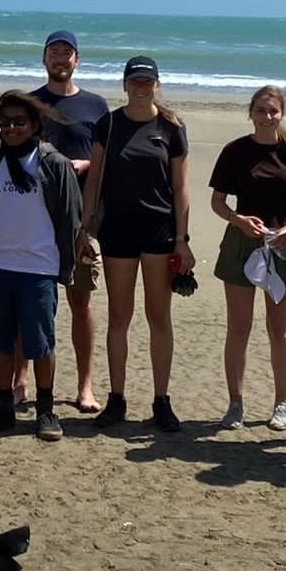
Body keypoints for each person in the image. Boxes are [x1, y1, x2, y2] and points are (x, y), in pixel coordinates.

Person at [85, 56, 191, 431]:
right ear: (125, 84)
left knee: (159, 318)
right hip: (117, 230)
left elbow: (180, 188)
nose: (141, 86)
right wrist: (85, 229)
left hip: (160, 231)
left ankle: (162, 401)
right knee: (119, 316)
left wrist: (182, 239)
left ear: (157, 85)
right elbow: (94, 180)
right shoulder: (109, 124)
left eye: (148, 81)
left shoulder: (172, 127)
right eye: (135, 81)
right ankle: (116, 399)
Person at [0, 91, 82, 441]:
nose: (12, 128)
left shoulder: (53, 163)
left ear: (34, 124)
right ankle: (4, 404)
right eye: (5, 122)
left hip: (39, 268)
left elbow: (70, 219)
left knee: (40, 343)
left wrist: (65, 268)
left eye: (19, 122)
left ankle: (46, 409)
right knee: (2, 339)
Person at [209, 85, 286, 432]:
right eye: (261, 110)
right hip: (242, 243)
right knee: (238, 327)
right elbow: (218, 202)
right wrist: (238, 220)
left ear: (281, 114)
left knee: (280, 330)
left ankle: (282, 404)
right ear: (251, 113)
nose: (267, 117)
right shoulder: (235, 151)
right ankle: (235, 403)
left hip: (282, 245)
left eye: (273, 111)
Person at [30, 29, 108, 413]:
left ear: (77, 59)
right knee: (33, 302)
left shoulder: (95, 105)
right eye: (54, 53)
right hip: (33, 216)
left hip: (81, 219)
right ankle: (20, 380)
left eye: (67, 53)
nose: (60, 59)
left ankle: (85, 386)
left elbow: (110, 158)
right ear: (44, 59)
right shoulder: (31, 103)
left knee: (81, 301)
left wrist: (86, 165)